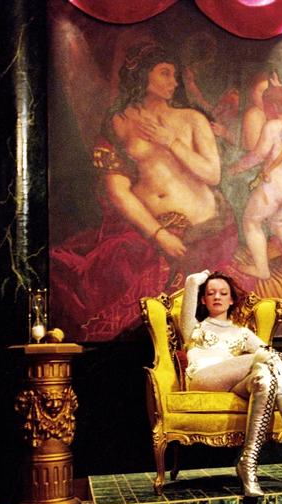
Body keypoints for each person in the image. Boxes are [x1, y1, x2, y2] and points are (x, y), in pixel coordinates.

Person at [50, 41, 239, 340]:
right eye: (164, 73)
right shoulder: (120, 121)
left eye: (174, 75)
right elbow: (117, 189)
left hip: (202, 231)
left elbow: (212, 174)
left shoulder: (192, 119)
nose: (173, 81)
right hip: (148, 229)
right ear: (142, 74)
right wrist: (157, 233)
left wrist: (170, 142)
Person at [180, 269, 282, 497]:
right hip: (203, 378)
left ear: (232, 300)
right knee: (264, 360)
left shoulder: (242, 333)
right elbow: (191, 281)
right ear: (203, 300)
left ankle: (248, 464)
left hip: (233, 382)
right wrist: (198, 279)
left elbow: (269, 354)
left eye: (223, 293)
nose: (217, 297)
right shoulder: (194, 328)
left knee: (265, 377)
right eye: (211, 293)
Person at [228, 82, 282, 279]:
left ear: (272, 107)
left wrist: (236, 167)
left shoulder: (272, 126)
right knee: (277, 221)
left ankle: (262, 271)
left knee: (251, 221)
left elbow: (258, 155)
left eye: (265, 106)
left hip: (276, 185)